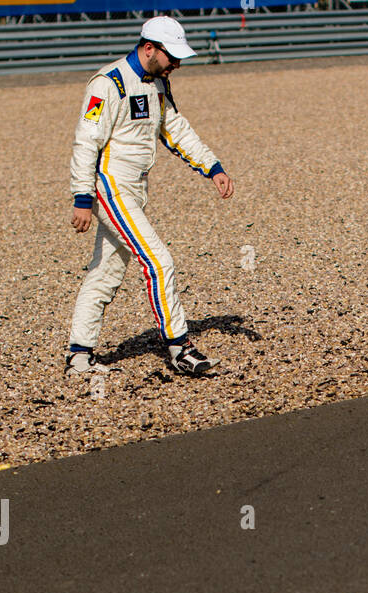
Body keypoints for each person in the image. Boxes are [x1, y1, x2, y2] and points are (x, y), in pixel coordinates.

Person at [67, 15, 235, 379]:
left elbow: (173, 127)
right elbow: (86, 141)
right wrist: (82, 196)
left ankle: (78, 355)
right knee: (160, 261)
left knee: (104, 273)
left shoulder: (160, 82)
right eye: (171, 56)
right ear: (148, 48)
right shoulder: (106, 84)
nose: (177, 63)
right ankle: (180, 348)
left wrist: (213, 166)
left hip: (137, 190)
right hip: (110, 189)